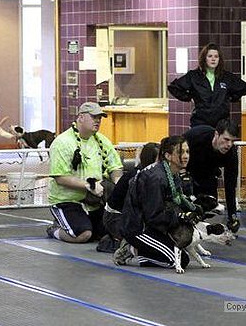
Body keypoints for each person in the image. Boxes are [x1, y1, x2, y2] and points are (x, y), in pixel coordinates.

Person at [113, 135, 198, 269]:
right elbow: (153, 216)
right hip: (138, 228)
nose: (186, 156)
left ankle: (146, 249)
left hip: (155, 224)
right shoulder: (155, 178)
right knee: (180, 261)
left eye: (187, 151)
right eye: (180, 152)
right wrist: (179, 217)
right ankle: (132, 249)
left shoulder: (173, 174)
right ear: (168, 156)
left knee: (183, 249)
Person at [46, 102, 123, 243]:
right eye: (94, 117)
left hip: (94, 201)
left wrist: (119, 184)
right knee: (84, 234)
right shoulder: (62, 142)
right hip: (67, 201)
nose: (98, 121)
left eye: (100, 117)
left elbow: (115, 167)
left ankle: (85, 224)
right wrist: (89, 186)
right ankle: (55, 230)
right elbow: (60, 178)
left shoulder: (103, 141)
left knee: (114, 232)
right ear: (81, 117)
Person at [97, 142, 161, 253]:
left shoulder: (153, 175)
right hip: (115, 216)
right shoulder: (136, 177)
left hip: (128, 214)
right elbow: (133, 208)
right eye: (160, 160)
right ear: (150, 160)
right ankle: (110, 242)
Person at [168, 43, 246, 128]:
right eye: (210, 56)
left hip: (221, 123)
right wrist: (189, 97)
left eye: (216, 56)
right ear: (204, 58)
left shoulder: (226, 77)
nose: (213, 59)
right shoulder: (194, 76)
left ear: (219, 59)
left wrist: (231, 97)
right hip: (200, 122)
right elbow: (173, 87)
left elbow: (244, 87)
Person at [183, 119, 241, 232]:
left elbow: (230, 185)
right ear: (216, 134)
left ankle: (197, 230)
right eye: (226, 139)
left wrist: (232, 217)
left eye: (232, 141)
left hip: (208, 173)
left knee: (208, 204)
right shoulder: (197, 135)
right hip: (187, 169)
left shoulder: (231, 154)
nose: (229, 144)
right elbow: (176, 151)